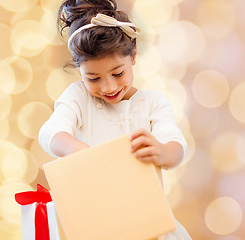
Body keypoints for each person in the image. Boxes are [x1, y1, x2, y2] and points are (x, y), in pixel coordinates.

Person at [39, 0, 191, 239]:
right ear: (79, 70)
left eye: (117, 73)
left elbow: (177, 147)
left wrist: (162, 152)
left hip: (148, 226)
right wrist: (85, 154)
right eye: (93, 78)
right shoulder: (79, 98)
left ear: (133, 56)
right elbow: (50, 134)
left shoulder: (151, 103)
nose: (108, 87)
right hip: (99, 225)